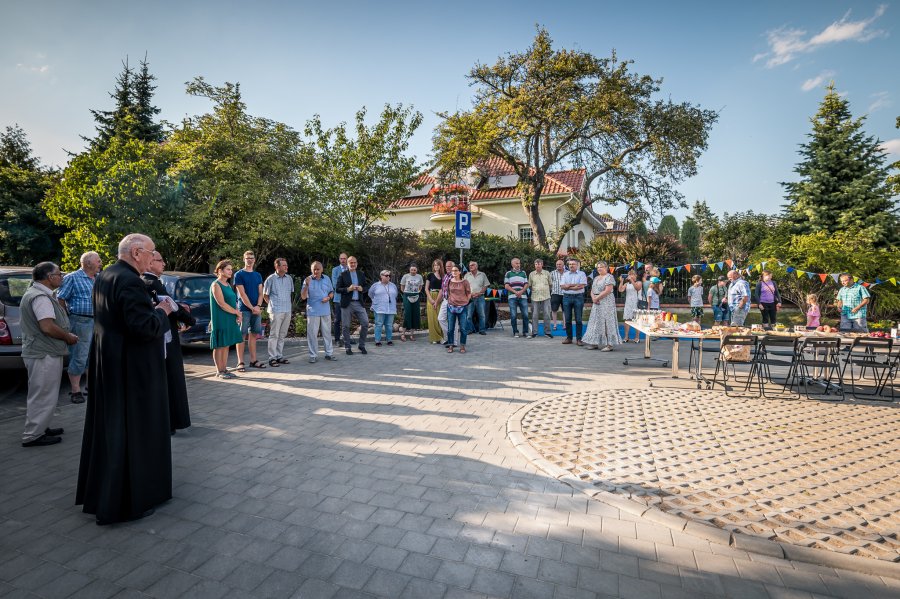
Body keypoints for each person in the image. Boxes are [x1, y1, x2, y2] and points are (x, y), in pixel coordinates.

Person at [76, 233, 175, 525]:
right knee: (132, 431)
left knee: (113, 430)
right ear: (136, 252)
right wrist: (162, 311)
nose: (153, 257)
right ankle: (126, 501)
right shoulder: (130, 280)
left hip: (110, 363)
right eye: (151, 252)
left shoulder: (106, 275)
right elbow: (142, 327)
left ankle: (106, 493)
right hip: (131, 369)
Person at [20, 262, 77, 447]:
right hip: (43, 353)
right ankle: (33, 435)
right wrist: (67, 337)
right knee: (42, 394)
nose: (61, 277)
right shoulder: (40, 297)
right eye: (59, 274)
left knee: (45, 393)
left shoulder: (39, 293)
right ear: (49, 277)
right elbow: (47, 327)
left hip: (42, 351)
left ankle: (40, 427)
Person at [143, 251, 195, 435]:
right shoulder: (150, 283)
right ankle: (170, 421)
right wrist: (189, 319)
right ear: (149, 263)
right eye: (160, 260)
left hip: (164, 332)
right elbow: (170, 306)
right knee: (171, 378)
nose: (164, 263)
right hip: (164, 337)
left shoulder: (151, 282)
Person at [56, 251, 101, 404]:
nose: (101, 263)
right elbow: (60, 298)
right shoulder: (72, 277)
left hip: (97, 322)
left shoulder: (98, 278)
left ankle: (90, 387)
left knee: (93, 355)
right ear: (88, 263)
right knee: (80, 356)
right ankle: (75, 391)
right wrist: (66, 320)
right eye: (98, 260)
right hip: (80, 321)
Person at [210, 260, 244, 378]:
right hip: (220, 318)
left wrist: (236, 314)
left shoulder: (228, 285)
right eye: (228, 269)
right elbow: (221, 304)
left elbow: (232, 301)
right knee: (219, 344)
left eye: (231, 269)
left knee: (226, 343)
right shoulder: (216, 284)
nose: (231, 271)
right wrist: (237, 313)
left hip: (230, 317)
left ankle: (224, 369)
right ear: (220, 271)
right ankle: (219, 371)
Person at [234, 250, 266, 371]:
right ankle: (240, 362)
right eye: (247, 258)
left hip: (256, 309)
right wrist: (252, 308)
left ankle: (253, 360)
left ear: (254, 259)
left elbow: (260, 293)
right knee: (241, 335)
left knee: (253, 334)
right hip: (244, 310)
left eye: (252, 258)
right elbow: (242, 294)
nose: (250, 260)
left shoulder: (257, 275)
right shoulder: (239, 275)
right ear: (244, 259)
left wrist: (258, 306)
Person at [301, 261, 336, 363]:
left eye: (318, 269)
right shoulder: (307, 280)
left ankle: (329, 354)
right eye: (314, 269)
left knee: (327, 334)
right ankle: (313, 355)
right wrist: (307, 285)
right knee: (312, 334)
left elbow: (331, 292)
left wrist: (328, 297)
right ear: (311, 270)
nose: (316, 271)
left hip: (325, 310)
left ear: (322, 269)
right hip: (313, 311)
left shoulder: (327, 278)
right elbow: (303, 297)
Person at [582, 262, 621, 352]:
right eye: (598, 267)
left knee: (607, 321)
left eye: (601, 267)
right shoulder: (596, 278)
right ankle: (594, 343)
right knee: (595, 322)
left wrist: (597, 298)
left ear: (606, 268)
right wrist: (593, 298)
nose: (599, 269)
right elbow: (592, 290)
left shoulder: (609, 277)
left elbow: (608, 290)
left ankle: (609, 344)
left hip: (606, 301)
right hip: (596, 302)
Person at [336, 256, 370, 355]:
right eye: (351, 263)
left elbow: (366, 286)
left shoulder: (361, 274)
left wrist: (362, 289)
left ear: (357, 263)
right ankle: (347, 347)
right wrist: (348, 289)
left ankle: (361, 345)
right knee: (346, 326)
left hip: (359, 303)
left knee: (365, 323)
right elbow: (337, 289)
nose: (353, 264)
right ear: (347, 264)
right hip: (347, 303)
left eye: (354, 262)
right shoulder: (343, 275)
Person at [264, 258, 293, 366]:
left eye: (286, 265)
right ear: (277, 267)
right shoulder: (270, 279)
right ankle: (272, 358)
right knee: (274, 335)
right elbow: (265, 295)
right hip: (276, 311)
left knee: (282, 335)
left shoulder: (289, 278)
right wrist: (272, 306)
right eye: (284, 265)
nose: (286, 267)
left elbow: (290, 293)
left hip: (287, 310)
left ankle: (279, 356)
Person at [560, 258, 587, 346]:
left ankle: (579, 339)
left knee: (578, 319)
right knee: (567, 319)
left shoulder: (582, 274)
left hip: (578, 297)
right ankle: (569, 338)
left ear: (577, 265)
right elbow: (562, 286)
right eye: (570, 264)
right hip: (566, 297)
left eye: (573, 264)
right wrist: (574, 286)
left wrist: (569, 286)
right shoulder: (565, 274)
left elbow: (581, 286)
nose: (571, 265)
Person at [445, 265, 471, 353]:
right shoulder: (449, 281)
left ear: (460, 272)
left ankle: (462, 346)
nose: (454, 272)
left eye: (456, 270)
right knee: (450, 328)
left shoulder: (465, 282)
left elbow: (468, 293)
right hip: (451, 307)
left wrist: (466, 301)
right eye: (452, 270)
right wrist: (449, 300)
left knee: (463, 328)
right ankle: (451, 345)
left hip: (463, 307)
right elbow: (447, 292)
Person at [369, 269, 398, 347]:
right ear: (381, 276)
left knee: (389, 325)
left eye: (389, 275)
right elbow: (370, 294)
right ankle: (377, 341)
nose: (388, 277)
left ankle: (389, 340)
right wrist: (375, 301)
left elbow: (395, 295)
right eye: (386, 275)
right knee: (379, 324)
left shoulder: (393, 285)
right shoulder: (375, 285)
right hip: (379, 308)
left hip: (390, 308)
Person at [504, 258, 530, 338]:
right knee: (513, 315)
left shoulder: (523, 273)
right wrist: (516, 292)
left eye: (519, 263)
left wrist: (521, 291)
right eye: (516, 263)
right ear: (512, 264)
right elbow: (506, 286)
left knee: (525, 315)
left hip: (523, 296)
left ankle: (525, 332)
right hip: (512, 297)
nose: (518, 265)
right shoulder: (508, 273)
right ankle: (515, 332)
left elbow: (526, 284)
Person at [464, 261, 490, 336]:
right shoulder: (466, 275)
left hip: (480, 297)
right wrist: (470, 294)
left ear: (476, 266)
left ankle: (482, 330)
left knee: (482, 315)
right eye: (469, 265)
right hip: (470, 297)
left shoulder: (482, 274)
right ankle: (469, 329)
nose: (470, 266)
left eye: (472, 265)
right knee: (468, 315)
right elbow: (464, 286)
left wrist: (479, 293)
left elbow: (485, 286)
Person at [528, 259, 552, 338]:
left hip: (546, 297)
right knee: (534, 315)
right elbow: (530, 285)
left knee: (547, 315)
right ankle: (534, 332)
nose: (537, 265)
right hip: (535, 297)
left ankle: (547, 332)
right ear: (534, 265)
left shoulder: (547, 273)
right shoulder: (531, 274)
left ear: (542, 264)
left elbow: (550, 284)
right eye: (536, 264)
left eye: (539, 264)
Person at [399, 264, 424, 341]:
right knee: (407, 314)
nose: (413, 271)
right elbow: (402, 287)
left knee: (415, 315)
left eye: (414, 270)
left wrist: (416, 292)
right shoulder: (405, 276)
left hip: (416, 296)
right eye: (412, 270)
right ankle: (403, 334)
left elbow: (420, 286)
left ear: (417, 270)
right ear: (409, 270)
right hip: (407, 296)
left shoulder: (419, 276)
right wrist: (407, 293)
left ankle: (411, 334)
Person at [618, 269, 641, 343]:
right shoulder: (627, 284)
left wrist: (632, 281)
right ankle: (626, 337)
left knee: (637, 320)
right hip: (628, 303)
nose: (631, 276)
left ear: (635, 276)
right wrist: (621, 281)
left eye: (632, 274)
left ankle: (637, 337)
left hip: (636, 303)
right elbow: (620, 290)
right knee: (627, 320)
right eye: (630, 275)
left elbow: (637, 288)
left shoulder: (639, 282)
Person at [425, 259, 445, 344]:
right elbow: (426, 288)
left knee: (440, 318)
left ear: (441, 266)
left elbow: (443, 289)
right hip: (431, 296)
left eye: (438, 265)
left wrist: (437, 300)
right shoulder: (430, 275)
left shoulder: (444, 276)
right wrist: (430, 299)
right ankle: (434, 338)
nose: (436, 266)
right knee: (432, 319)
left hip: (440, 297)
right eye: (434, 265)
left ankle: (441, 337)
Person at [331, 253, 349, 342]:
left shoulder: (350, 269)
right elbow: (335, 284)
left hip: (349, 299)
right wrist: (347, 288)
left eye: (344, 258)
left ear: (347, 259)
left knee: (347, 320)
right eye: (341, 258)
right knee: (338, 319)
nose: (343, 260)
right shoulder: (335, 270)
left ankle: (346, 338)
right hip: (338, 298)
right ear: (339, 259)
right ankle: (337, 339)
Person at [550, 259, 565, 331]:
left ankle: (564, 325)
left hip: (565, 294)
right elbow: (549, 283)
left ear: (563, 265)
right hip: (555, 293)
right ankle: (555, 325)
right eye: (557, 264)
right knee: (554, 310)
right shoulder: (552, 273)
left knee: (565, 310)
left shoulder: (568, 273)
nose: (558, 266)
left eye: (560, 264)